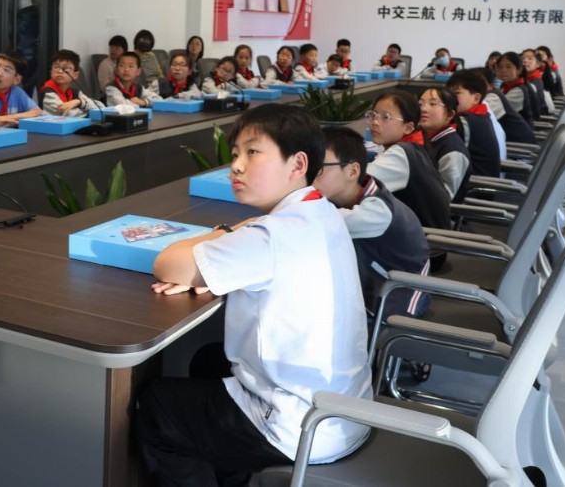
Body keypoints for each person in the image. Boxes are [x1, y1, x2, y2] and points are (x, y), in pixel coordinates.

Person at [136, 104, 371, 483]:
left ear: (297, 164)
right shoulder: (321, 211)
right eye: (235, 155)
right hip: (344, 409)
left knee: (157, 406)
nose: (236, 166)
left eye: (253, 152)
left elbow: (166, 263)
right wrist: (221, 256)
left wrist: (224, 235)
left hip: (301, 427)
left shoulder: (270, 237)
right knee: (209, 361)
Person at [313, 126, 430, 320]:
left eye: (320, 168)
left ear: (352, 171)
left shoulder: (377, 212)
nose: (310, 175)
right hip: (368, 283)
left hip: (399, 294)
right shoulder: (351, 195)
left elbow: (315, 221)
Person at [365, 90, 452, 234]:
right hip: (420, 234)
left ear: (408, 128)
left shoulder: (400, 154)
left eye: (385, 117)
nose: (375, 122)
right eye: (374, 115)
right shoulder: (413, 147)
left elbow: (356, 184)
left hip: (424, 240)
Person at [446, 70, 503, 177]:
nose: (450, 97)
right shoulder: (481, 115)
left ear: (476, 98)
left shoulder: (465, 122)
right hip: (476, 179)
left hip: (475, 183)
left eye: (456, 93)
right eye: (448, 93)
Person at [418, 87, 471, 202]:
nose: (423, 109)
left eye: (433, 104)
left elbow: (443, 198)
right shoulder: (427, 138)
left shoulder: (453, 151)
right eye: (420, 104)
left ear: (449, 115)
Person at [477, 66, 536, 145]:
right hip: (509, 142)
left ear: (491, 85)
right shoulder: (500, 89)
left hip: (520, 146)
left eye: (480, 84)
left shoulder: (493, 98)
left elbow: (477, 119)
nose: (475, 87)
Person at [39, 49, 103, 116]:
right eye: (56, 67)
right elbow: (67, 114)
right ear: (51, 72)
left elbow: (101, 107)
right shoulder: (48, 91)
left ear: (75, 75)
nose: (60, 71)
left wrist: (79, 102)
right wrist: (89, 112)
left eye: (66, 68)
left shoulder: (74, 92)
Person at [495, 51, 534, 126]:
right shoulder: (504, 86)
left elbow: (498, 109)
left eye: (508, 67)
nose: (503, 71)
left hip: (518, 131)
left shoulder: (518, 91)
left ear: (519, 70)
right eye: (500, 67)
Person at [521, 48, 552, 116]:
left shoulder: (535, 83)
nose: (525, 61)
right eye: (522, 58)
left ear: (538, 64)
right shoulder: (527, 79)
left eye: (530, 58)